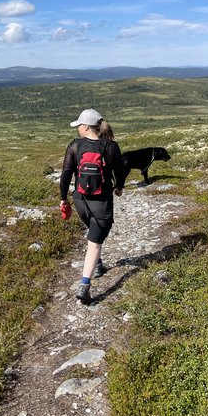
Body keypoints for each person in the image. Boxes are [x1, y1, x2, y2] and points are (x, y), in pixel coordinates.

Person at [60, 108, 125, 304]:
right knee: (94, 242)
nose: (78, 128)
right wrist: (119, 187)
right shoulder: (110, 147)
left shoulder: (74, 146)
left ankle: (98, 265)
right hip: (101, 202)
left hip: (80, 200)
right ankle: (85, 285)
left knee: (93, 232)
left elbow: (66, 174)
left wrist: (63, 198)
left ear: (86, 126)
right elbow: (120, 172)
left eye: (79, 125)